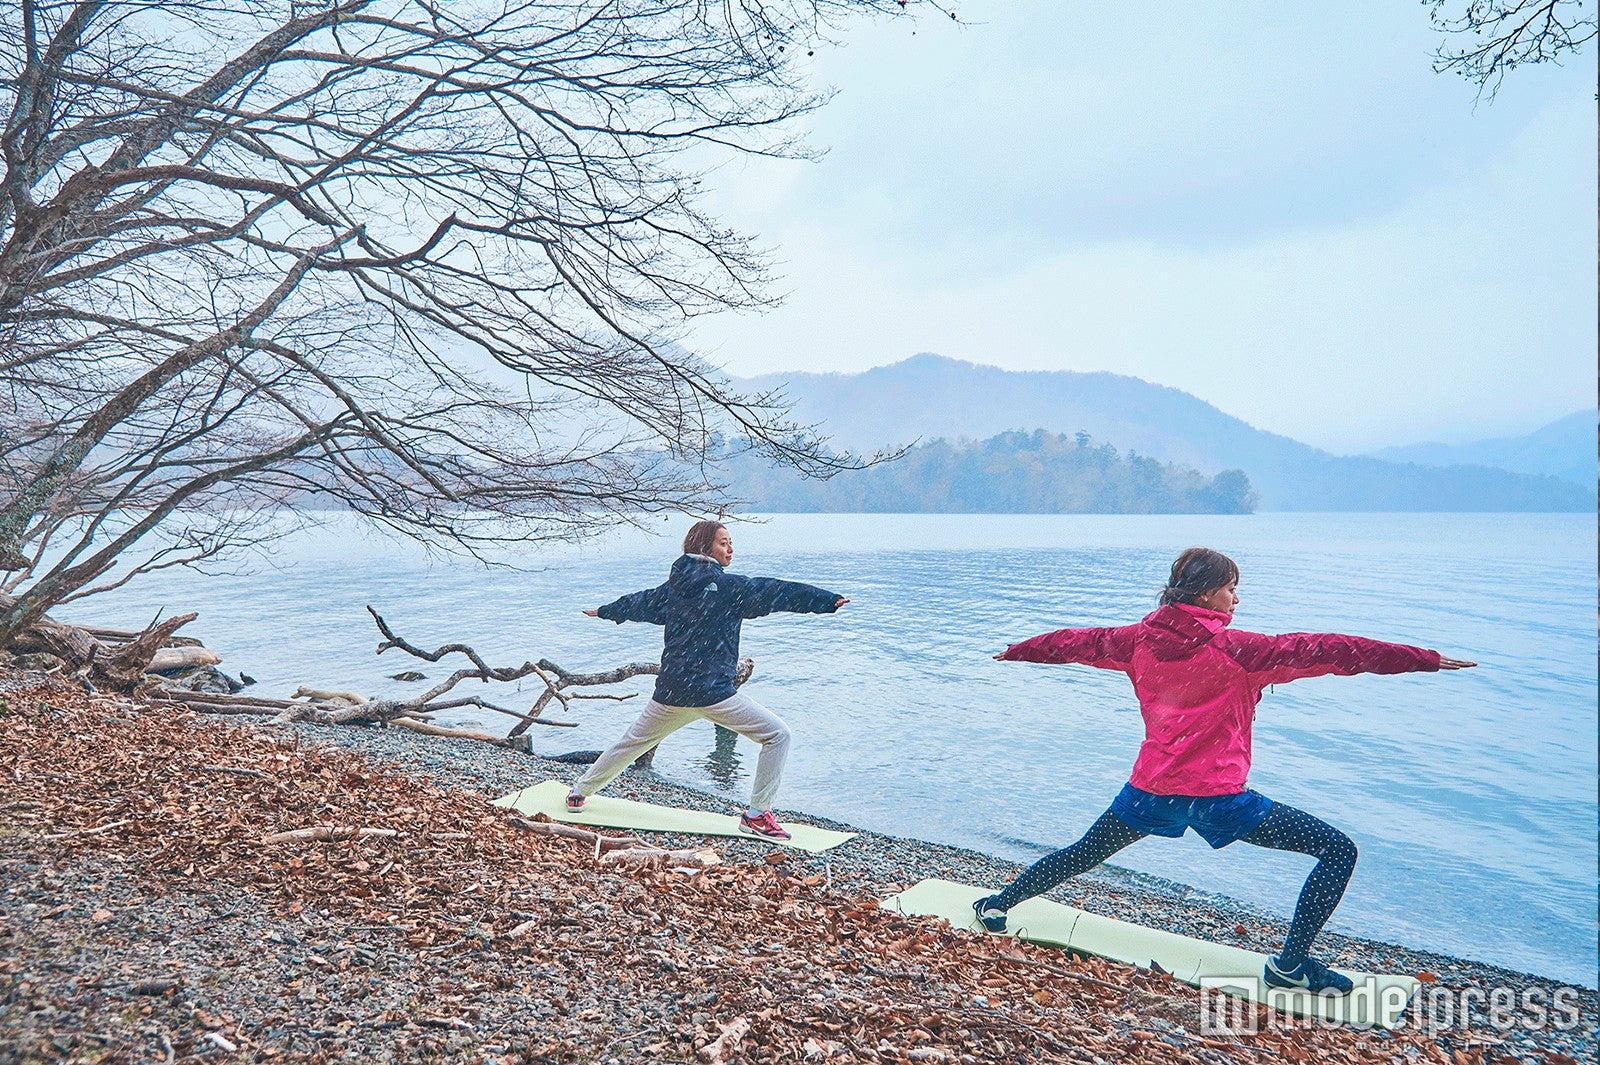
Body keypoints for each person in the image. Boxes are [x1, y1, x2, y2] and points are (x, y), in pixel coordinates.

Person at [973, 547, 1476, 994]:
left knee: (1084, 853)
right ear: (1207, 593)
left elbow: (1076, 642)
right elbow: (1333, 650)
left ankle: (999, 904)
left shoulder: (1135, 641)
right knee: (1338, 851)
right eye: (1232, 588)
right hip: (1219, 801)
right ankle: (1290, 966)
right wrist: (1423, 659)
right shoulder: (1241, 650)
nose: (1237, 599)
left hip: (1151, 790)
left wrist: (1019, 651)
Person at [566, 520, 848, 840]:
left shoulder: (673, 589)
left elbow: (638, 603)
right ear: (704, 547)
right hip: (712, 693)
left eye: (731, 542)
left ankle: (578, 792)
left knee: (631, 744)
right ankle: (757, 815)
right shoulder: (730, 589)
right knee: (777, 736)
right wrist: (825, 601)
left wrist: (606, 611)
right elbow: (778, 592)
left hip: (672, 692)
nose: (731, 548)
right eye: (724, 542)